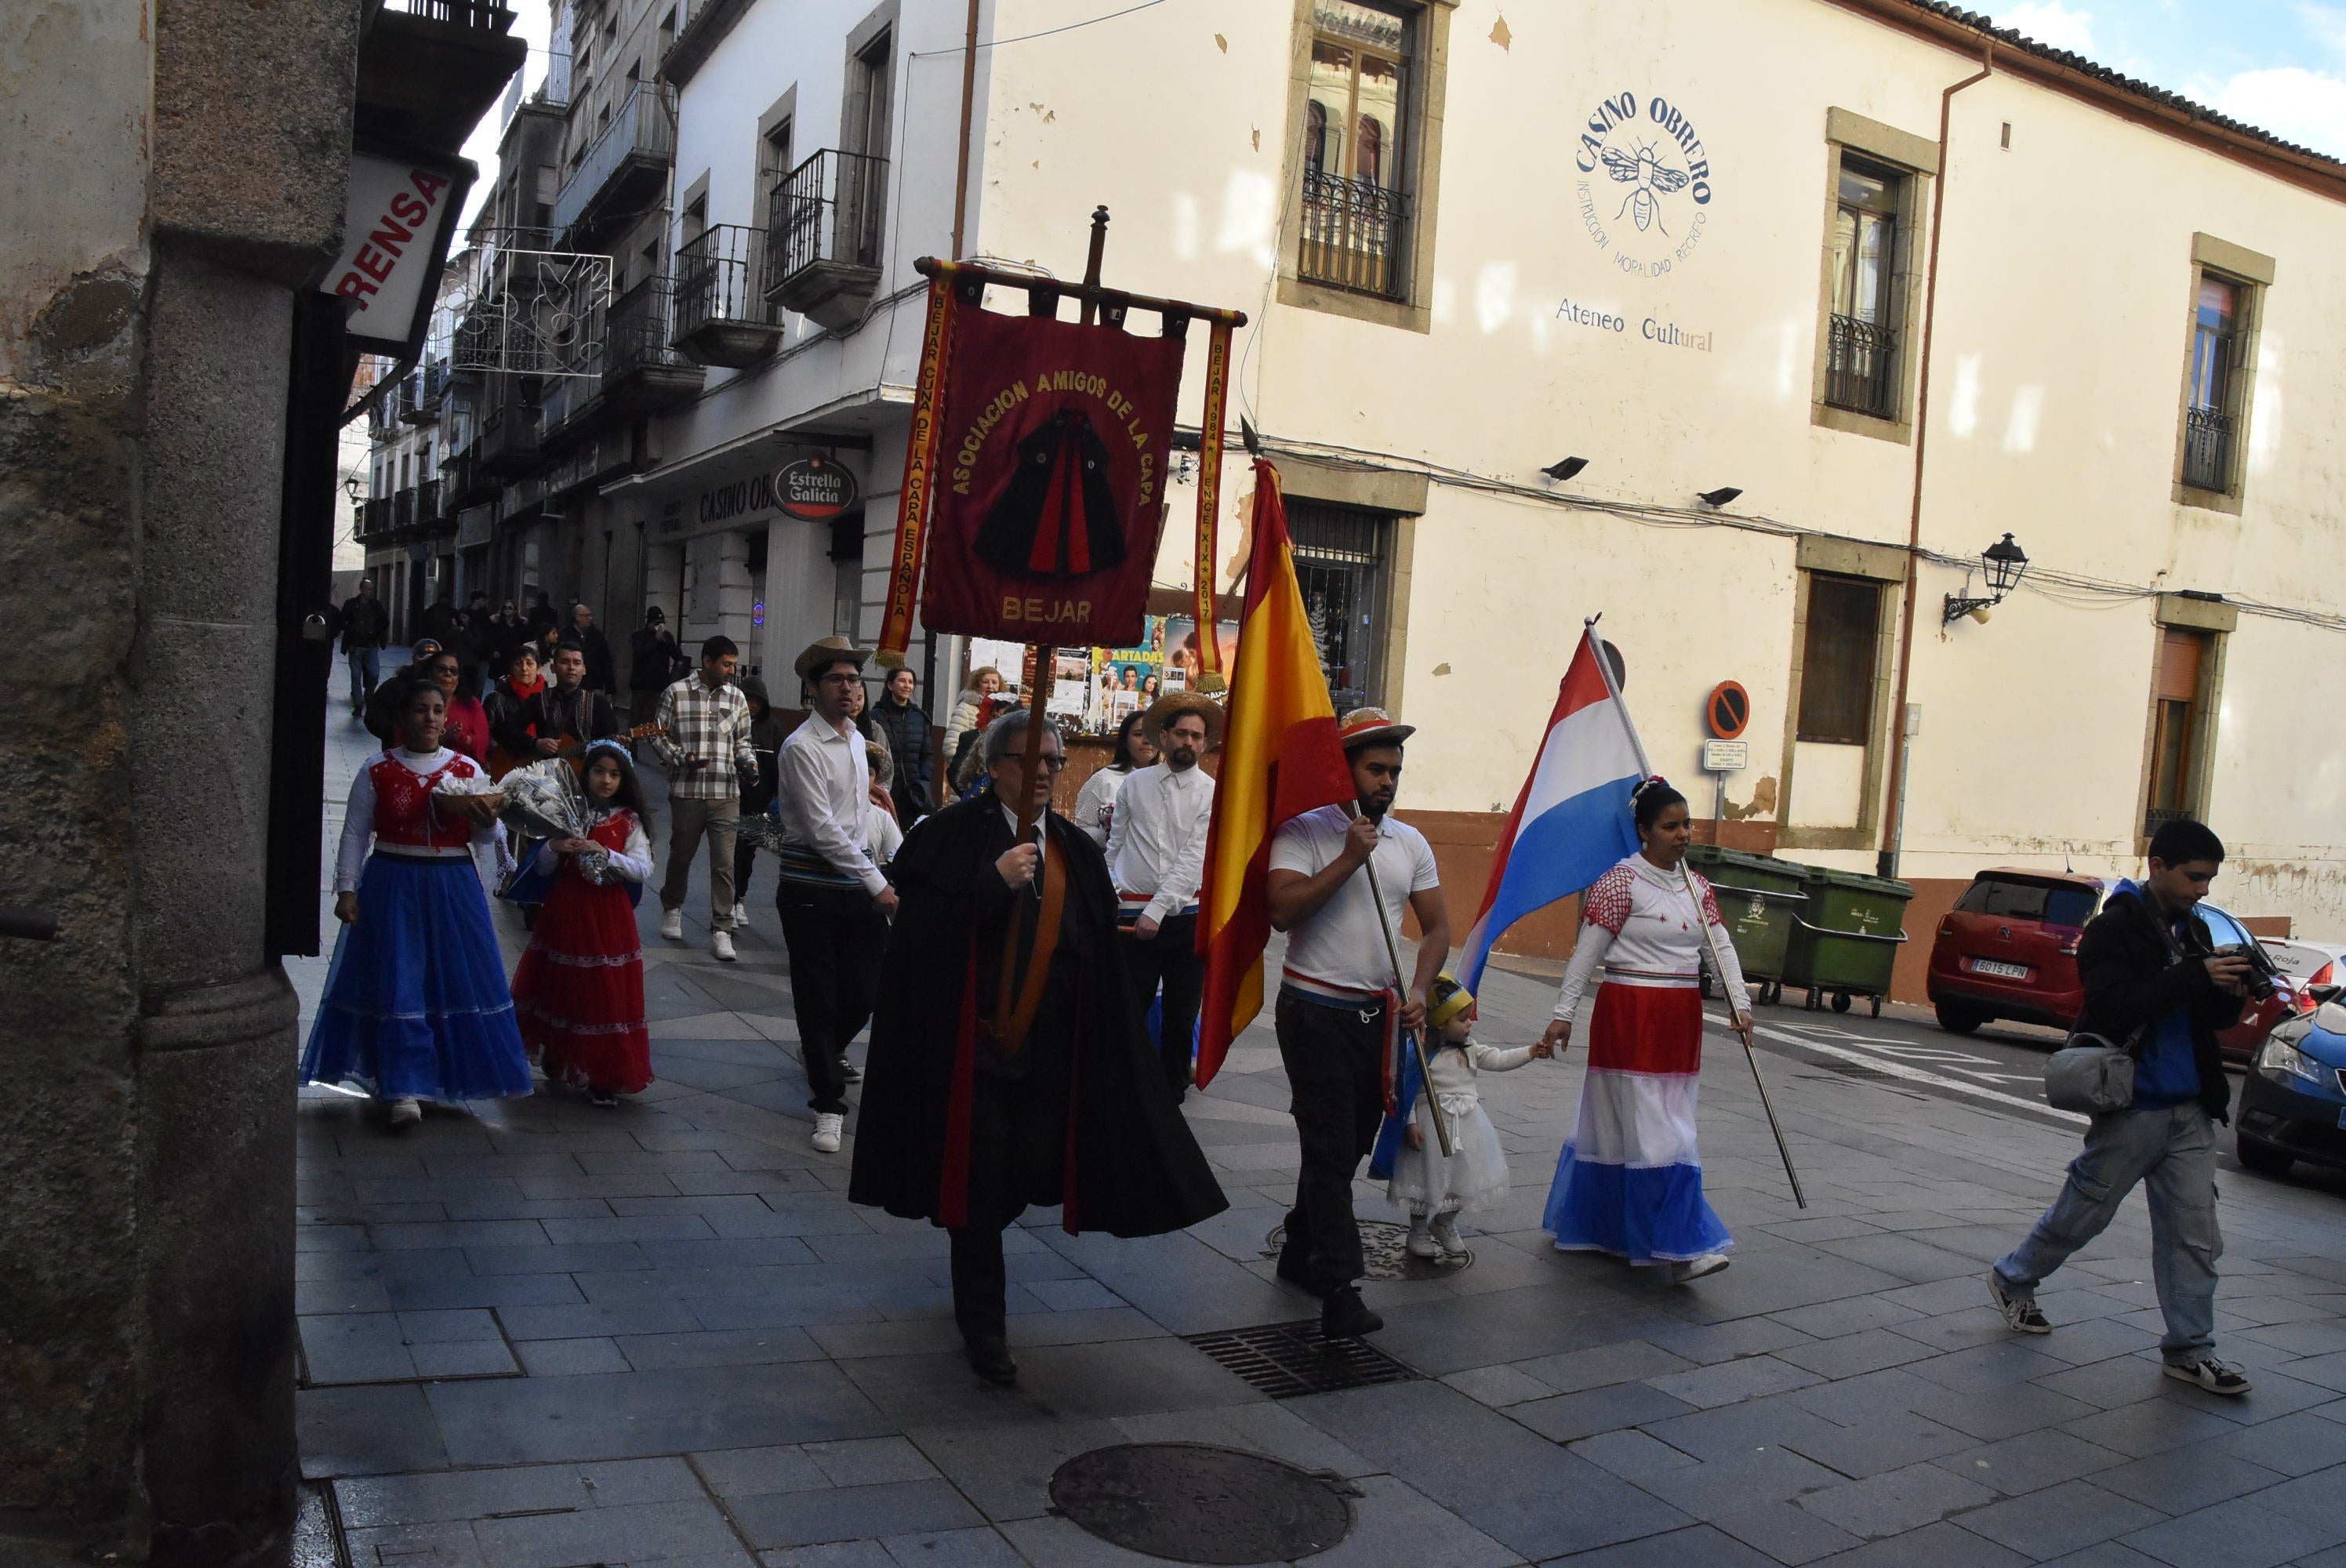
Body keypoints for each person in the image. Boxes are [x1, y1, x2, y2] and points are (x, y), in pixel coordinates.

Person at [848, 707, 1226, 1384]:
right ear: (995, 769)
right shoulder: (950, 837)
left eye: (1055, 759)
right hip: (974, 1054)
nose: (1049, 770)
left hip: (1049, 1057)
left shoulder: (1076, 852)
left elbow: (1091, 955)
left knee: (1023, 1170)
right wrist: (989, 886)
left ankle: (982, 1241)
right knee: (979, 1185)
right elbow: (921, 942)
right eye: (1032, 760)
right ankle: (984, 1327)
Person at [1986, 818, 2253, 1396]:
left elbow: (2205, 1017)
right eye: (2194, 877)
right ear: (2158, 867)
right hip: (2133, 1105)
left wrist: (2229, 991)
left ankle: (2189, 1350)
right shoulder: (2115, 928)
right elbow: (2113, 1007)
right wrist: (2192, 976)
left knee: (2195, 1236)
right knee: (2085, 1213)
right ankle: (2013, 1277)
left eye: (2209, 879)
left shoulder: (2194, 929)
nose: (2203, 889)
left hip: (2190, 1109)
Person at [1266, 708, 1450, 1340]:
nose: (1387, 782)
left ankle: (1299, 1243)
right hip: (1313, 1010)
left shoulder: (1411, 843)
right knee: (1325, 1141)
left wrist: (1420, 988)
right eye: (1375, 768)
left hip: (1377, 1018)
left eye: (1394, 771)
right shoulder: (1305, 830)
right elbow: (1282, 911)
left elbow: (1438, 928)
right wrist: (1347, 857)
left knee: (1344, 1149)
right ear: (1343, 769)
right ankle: (1339, 1286)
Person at [1538, 779, 1748, 1283]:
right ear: (1642, 831)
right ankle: (1680, 1246)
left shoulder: (1698, 889)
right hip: (1629, 1013)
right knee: (1654, 1132)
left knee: (1653, 1125)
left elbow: (1719, 950)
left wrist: (1739, 1005)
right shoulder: (1619, 882)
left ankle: (1612, 1229)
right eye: (1670, 826)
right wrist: (1563, 1011)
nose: (1682, 835)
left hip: (1679, 1020)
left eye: (1686, 824)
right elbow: (1585, 955)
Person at [300, 674, 532, 1127]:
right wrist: (347, 888)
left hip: (452, 884)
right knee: (399, 980)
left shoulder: (467, 770)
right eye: (421, 710)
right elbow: (354, 833)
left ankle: (442, 1076)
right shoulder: (377, 770)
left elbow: (488, 839)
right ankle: (402, 1084)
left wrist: (486, 821)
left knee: (451, 980)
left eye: (437, 711)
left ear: (446, 720)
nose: (430, 718)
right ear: (404, 718)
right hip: (393, 881)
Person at [772, 638, 896, 1150]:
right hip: (810, 887)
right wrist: (879, 883)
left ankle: (821, 1050)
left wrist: (884, 859)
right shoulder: (801, 747)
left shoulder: (854, 739)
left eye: (853, 679)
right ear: (812, 688)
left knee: (867, 991)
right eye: (837, 679)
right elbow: (823, 831)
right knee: (818, 997)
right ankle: (827, 1105)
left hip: (856, 882)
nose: (848, 687)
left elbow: (858, 816)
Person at [508, 742, 655, 1106]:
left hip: (608, 917)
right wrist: (555, 847)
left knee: (603, 991)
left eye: (615, 774)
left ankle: (604, 1073)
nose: (606, 780)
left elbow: (643, 867)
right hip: (566, 910)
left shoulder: (629, 820)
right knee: (563, 983)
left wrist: (607, 854)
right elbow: (541, 866)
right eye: (599, 771)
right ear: (585, 774)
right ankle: (561, 1055)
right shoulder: (568, 813)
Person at [1378, 974, 1545, 1258]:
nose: (1470, 1023)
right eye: (1463, 1018)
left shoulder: (1471, 1049)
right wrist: (1411, 1124)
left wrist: (1530, 1052)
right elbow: (1406, 1091)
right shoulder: (1420, 1052)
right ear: (1441, 1022)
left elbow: (1499, 1059)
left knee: (1463, 1178)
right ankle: (1418, 1231)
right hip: (1430, 1126)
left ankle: (1445, 1223)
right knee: (1426, 1178)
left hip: (1467, 1125)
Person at [1106, 691, 1219, 1099]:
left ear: (1205, 743)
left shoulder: (1211, 792)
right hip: (1131, 912)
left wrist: (1158, 910)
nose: (1188, 742)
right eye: (1182, 733)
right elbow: (1115, 844)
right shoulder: (1135, 784)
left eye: (1197, 736)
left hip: (1184, 916)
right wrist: (1110, 888)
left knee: (1181, 1013)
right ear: (1165, 736)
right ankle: (1123, 1086)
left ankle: (1171, 1093)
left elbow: (1195, 857)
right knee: (1128, 1007)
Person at [652, 635, 757, 961]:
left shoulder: (737, 697)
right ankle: (672, 907)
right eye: (726, 664)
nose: (731, 671)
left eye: (734, 665)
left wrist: (749, 762)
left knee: (724, 863)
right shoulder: (676, 693)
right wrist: (681, 757)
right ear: (707, 661)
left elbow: (743, 741)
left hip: (726, 792)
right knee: (681, 855)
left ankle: (722, 929)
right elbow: (657, 735)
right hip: (687, 791)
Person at [730, 673, 786, 931]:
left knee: (746, 854)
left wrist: (775, 796)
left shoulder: (772, 728)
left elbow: (780, 764)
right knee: (727, 855)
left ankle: (738, 899)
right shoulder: (731, 723)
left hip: (758, 803)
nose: (752, 705)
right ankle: (726, 901)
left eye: (757, 701)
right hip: (729, 799)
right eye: (748, 699)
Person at [519, 641, 619, 764]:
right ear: (553, 668)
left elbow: (612, 740)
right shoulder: (539, 700)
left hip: (584, 776)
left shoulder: (599, 704)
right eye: (564, 662)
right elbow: (509, 730)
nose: (571, 667)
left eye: (577, 663)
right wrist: (536, 743)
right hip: (544, 775)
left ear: (584, 669)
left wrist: (620, 744)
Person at [1072, 712, 1156, 848]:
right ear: (1124, 741)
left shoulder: (1167, 781)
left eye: (1152, 735)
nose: (1147, 741)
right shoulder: (1105, 779)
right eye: (1138, 734)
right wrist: (1111, 838)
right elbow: (1083, 828)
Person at [870, 666, 936, 826]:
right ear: (890, 685)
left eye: (911, 682)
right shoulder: (876, 716)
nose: (907, 685)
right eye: (902, 681)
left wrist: (924, 781)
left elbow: (927, 754)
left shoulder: (919, 717)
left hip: (914, 792)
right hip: (885, 789)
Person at [942, 666, 1005, 796]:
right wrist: (970, 771)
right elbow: (950, 746)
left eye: (994, 682)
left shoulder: (1003, 711)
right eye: (985, 682)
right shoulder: (965, 709)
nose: (990, 686)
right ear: (977, 684)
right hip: (969, 785)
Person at [483, 644, 547, 769]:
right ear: (512, 669)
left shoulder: (550, 699)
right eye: (519, 664)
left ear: (538, 668)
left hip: (542, 766)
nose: (524, 669)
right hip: (505, 764)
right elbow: (486, 735)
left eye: (529, 663)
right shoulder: (496, 699)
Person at [338, 578, 390, 719]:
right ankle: (358, 704)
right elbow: (342, 620)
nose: (370, 592)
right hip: (355, 645)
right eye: (368, 589)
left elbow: (384, 622)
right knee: (355, 675)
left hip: (371, 645)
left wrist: (376, 632)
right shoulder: (351, 604)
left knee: (374, 672)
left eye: (372, 589)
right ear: (361, 589)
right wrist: (352, 629)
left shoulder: (376, 606)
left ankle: (369, 692)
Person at [629, 606, 685, 733]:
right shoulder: (638, 636)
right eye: (656, 624)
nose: (659, 627)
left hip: (658, 686)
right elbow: (640, 653)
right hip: (641, 686)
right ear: (649, 623)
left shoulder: (667, 637)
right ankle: (632, 747)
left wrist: (667, 642)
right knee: (636, 720)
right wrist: (656, 640)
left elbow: (678, 655)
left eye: (662, 624)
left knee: (655, 720)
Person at [569, 603, 616, 695]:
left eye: (590, 616)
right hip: (572, 684)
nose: (590, 619)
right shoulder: (566, 635)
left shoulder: (597, 637)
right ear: (577, 617)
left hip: (594, 684)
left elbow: (606, 662)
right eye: (586, 616)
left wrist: (610, 690)